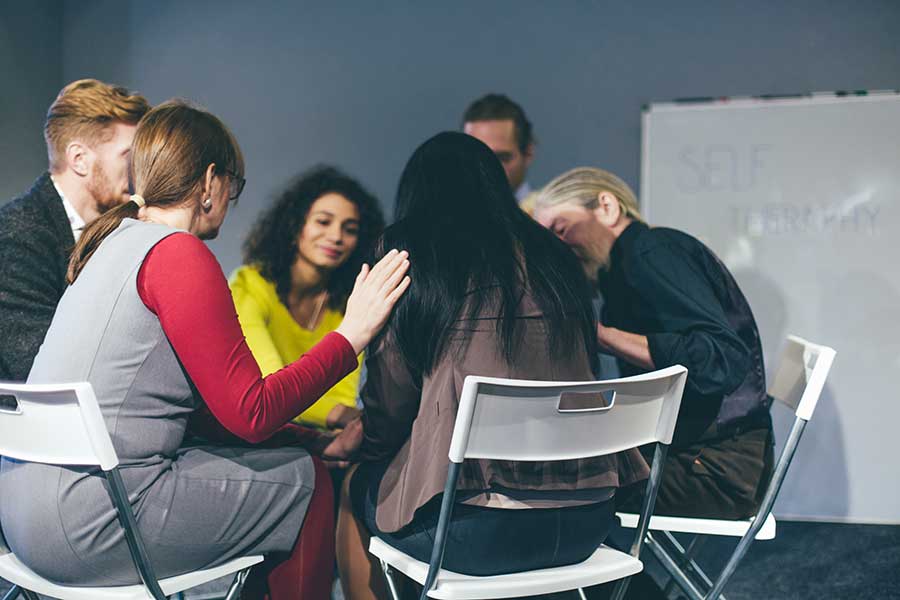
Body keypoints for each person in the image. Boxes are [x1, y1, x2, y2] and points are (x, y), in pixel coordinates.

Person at [0, 101, 410, 600]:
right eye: (233, 187)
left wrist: (308, 439)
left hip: (24, 515)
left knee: (294, 463)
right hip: (93, 524)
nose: (231, 199)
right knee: (306, 484)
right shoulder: (177, 252)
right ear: (210, 182)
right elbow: (250, 413)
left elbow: (206, 413)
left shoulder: (111, 243)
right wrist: (352, 335)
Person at [329, 133, 649, 600]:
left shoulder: (405, 250)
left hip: (477, 533)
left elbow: (390, 407)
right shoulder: (553, 255)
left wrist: (365, 439)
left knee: (358, 482)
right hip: (590, 519)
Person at [534, 166, 774, 518]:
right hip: (709, 454)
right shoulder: (625, 269)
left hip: (719, 468)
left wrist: (601, 336)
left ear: (607, 207)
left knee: (566, 491)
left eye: (562, 229)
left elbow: (721, 359)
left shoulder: (653, 253)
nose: (560, 247)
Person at [0, 79, 150, 383]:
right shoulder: (17, 234)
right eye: (129, 157)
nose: (140, 171)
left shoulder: (123, 230)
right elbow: (38, 370)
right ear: (79, 159)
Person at [231, 166, 385, 429]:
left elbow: (342, 395)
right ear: (295, 226)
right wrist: (353, 421)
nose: (336, 237)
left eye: (350, 229)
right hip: (261, 435)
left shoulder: (348, 304)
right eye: (323, 222)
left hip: (324, 438)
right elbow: (271, 389)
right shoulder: (249, 286)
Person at [462, 93, 536, 209]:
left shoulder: (552, 220)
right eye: (476, 158)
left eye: (502, 158)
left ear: (528, 153)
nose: (488, 169)